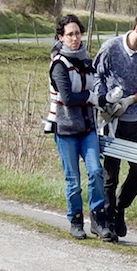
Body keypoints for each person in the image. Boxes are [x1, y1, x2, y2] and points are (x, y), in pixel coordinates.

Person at [94, 4, 137, 238]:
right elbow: (97, 76)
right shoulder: (111, 48)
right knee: (110, 174)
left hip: (136, 119)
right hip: (112, 119)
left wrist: (130, 100)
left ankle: (121, 207)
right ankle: (108, 217)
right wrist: (105, 101)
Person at [46, 14, 114, 242]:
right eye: (70, 35)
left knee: (95, 172)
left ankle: (98, 219)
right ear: (60, 37)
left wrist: (107, 98)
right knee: (73, 179)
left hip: (88, 128)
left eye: (77, 33)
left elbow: (97, 91)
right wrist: (90, 97)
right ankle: (75, 220)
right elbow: (67, 97)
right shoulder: (58, 65)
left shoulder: (87, 62)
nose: (75, 38)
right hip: (65, 129)